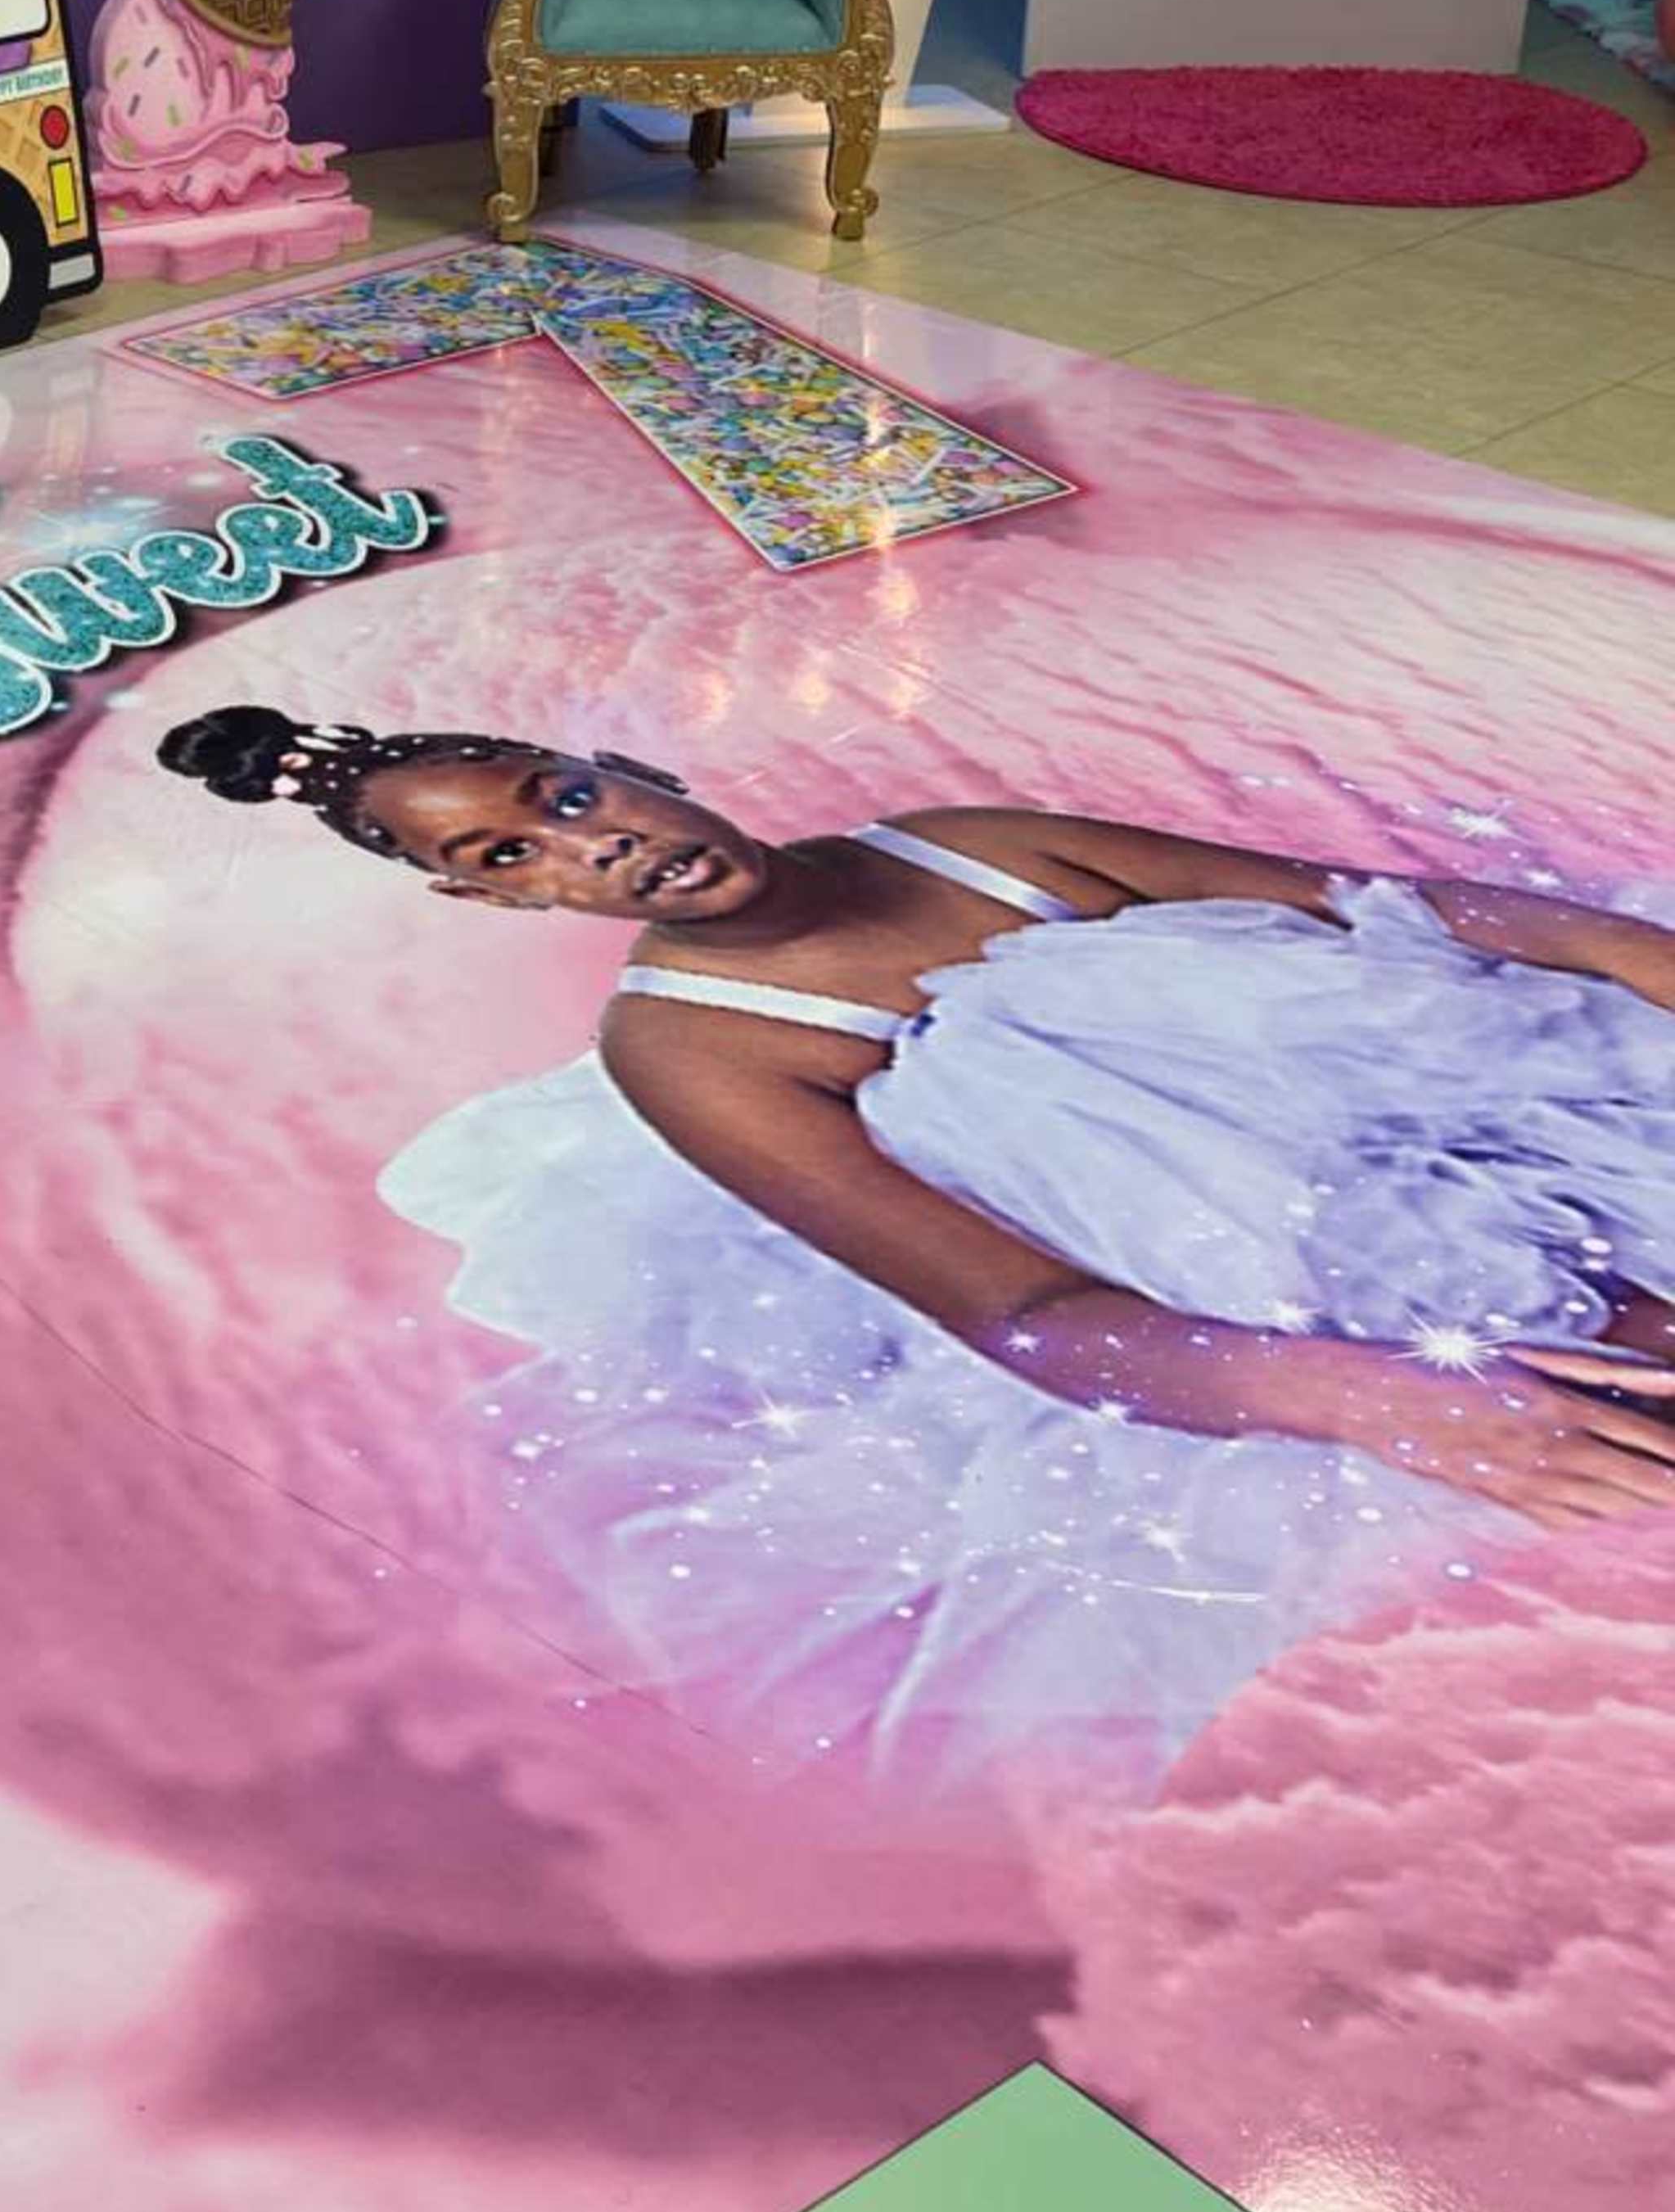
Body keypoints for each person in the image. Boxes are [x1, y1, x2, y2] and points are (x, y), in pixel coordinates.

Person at [160, 703, 1675, 1787]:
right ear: (481, 900)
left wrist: (1630, 953)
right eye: (509, 861)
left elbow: (1395, 911)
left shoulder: (976, 850)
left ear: (623, 766)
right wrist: (1377, 1398)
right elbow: (1025, 1311)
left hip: (1508, 1100)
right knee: (1591, 1438)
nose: (593, 850)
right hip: (1282, 1287)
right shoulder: (697, 1054)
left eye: (562, 799)